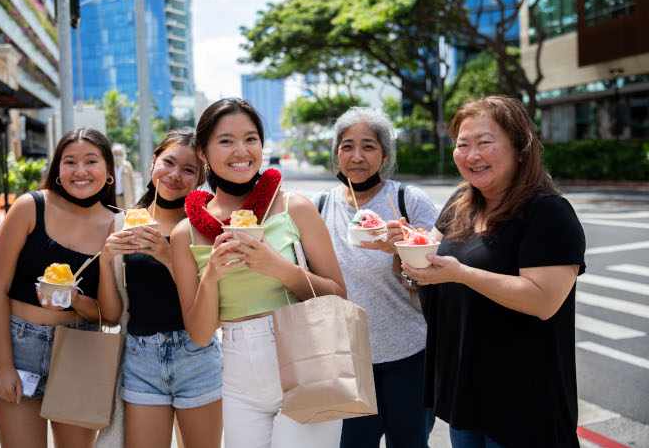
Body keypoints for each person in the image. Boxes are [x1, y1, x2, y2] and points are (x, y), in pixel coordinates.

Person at [399, 96, 586, 448]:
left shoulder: (548, 213)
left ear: (520, 148)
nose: (472, 155)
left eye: (485, 143)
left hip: (525, 401)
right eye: (462, 144)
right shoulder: (460, 202)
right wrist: (401, 247)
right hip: (466, 392)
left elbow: (543, 300)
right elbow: (429, 261)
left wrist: (462, 274)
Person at [170, 98, 348, 448]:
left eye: (251, 139)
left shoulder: (294, 206)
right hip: (238, 375)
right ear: (203, 152)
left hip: (305, 358)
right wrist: (212, 275)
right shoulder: (185, 233)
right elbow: (202, 334)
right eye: (226, 141)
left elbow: (339, 296)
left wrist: (279, 268)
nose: (241, 151)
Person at [0, 127, 122, 448]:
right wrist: (3, 366)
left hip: (80, 351)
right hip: (19, 348)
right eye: (70, 162)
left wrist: (75, 300)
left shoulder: (118, 224)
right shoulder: (31, 207)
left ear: (109, 170)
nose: (80, 171)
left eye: (91, 161)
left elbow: (109, 316)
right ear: (58, 169)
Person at [312, 107, 436, 448]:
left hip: (410, 357)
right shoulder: (319, 207)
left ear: (384, 154)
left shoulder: (406, 201)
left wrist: (403, 247)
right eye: (347, 146)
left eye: (368, 146)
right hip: (345, 363)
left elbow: (443, 265)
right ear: (336, 152)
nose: (356, 156)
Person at [99, 128, 223, 448]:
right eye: (168, 162)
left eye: (188, 170)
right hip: (141, 359)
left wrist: (169, 258)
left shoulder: (204, 228)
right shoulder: (121, 223)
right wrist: (105, 258)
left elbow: (216, 312)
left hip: (197, 357)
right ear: (153, 162)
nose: (174, 175)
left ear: (199, 178)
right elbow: (111, 316)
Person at [113, 143, 137, 209]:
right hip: (113, 198)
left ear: (122, 155)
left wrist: (133, 201)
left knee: (125, 217)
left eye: (119, 154)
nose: (117, 156)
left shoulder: (127, 166)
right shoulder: (110, 167)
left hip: (125, 198)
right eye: (115, 154)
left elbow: (132, 185)